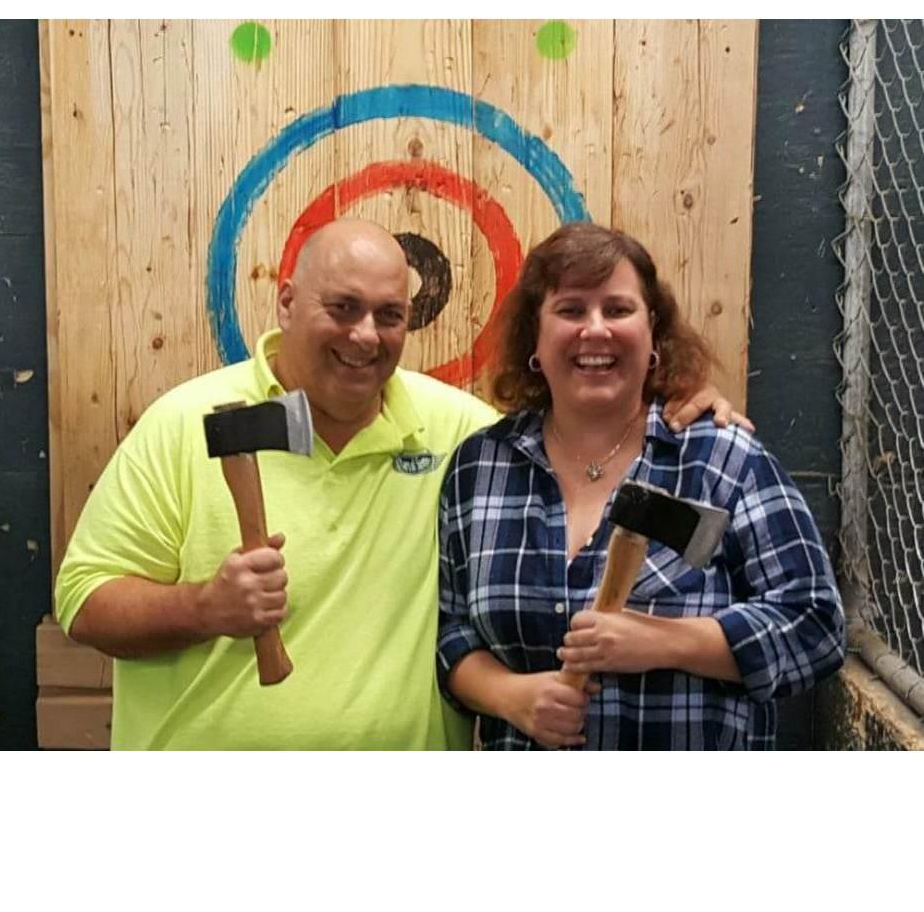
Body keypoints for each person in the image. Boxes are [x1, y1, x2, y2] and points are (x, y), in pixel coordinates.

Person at [55, 218, 746, 750]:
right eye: (343, 307)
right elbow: (83, 601)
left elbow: (584, 418)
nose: (365, 335)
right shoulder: (187, 423)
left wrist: (681, 397)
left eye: (389, 315)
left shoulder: (462, 440)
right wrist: (203, 606)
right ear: (287, 301)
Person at [436, 222, 846, 750]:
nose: (596, 330)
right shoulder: (479, 468)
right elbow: (451, 630)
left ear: (652, 330)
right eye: (570, 310)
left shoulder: (721, 459)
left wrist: (663, 641)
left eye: (618, 309)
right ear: (533, 337)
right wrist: (511, 696)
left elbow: (816, 625)